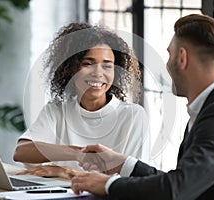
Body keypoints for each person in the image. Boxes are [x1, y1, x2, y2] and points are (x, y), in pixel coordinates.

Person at [70, 14, 214, 199]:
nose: (167, 64)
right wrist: (124, 164)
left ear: (182, 58)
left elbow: (176, 189)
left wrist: (108, 184)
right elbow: (184, 181)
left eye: (170, 54)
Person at [13, 22, 151, 178]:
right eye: (88, 64)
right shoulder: (57, 110)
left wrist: (68, 172)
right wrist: (79, 154)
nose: (98, 73)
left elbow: (133, 182)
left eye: (107, 66)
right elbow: (21, 151)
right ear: (71, 67)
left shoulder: (133, 116)